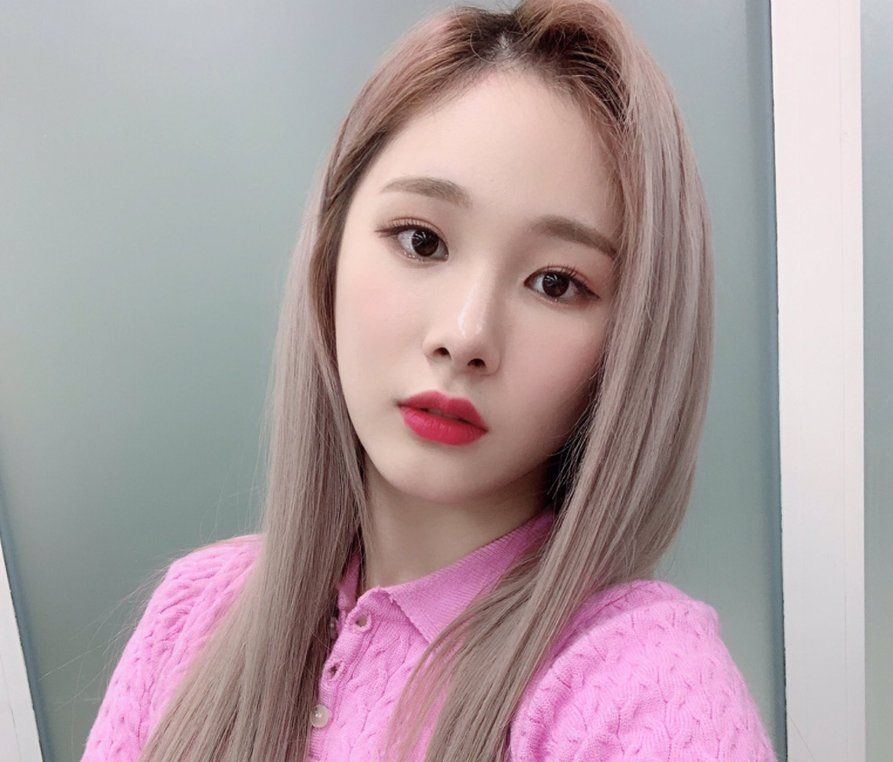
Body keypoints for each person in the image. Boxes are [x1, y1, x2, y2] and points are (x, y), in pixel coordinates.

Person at [80, 1, 780, 760]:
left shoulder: (641, 688)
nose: (465, 334)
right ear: (329, 253)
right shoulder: (193, 615)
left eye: (555, 283)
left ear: (629, 343)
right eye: (421, 241)